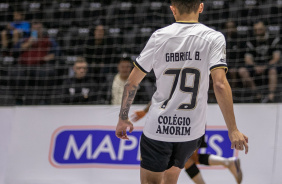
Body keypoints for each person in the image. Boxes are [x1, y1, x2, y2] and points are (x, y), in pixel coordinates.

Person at [115, 1, 248, 184]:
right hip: (191, 131)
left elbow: (132, 82)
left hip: (159, 127)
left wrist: (123, 117)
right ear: (201, 7)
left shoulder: (159, 37)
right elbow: (220, 85)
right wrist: (233, 129)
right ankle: (226, 163)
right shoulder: (214, 37)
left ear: (173, 9)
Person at [131, 104, 243, 184]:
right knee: (188, 158)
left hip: (177, 121)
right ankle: (228, 162)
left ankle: (228, 163)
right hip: (195, 118)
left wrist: (145, 111)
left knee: (184, 159)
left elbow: (163, 93)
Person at [238, 21, 281, 103]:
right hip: (255, 66)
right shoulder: (251, 41)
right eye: (256, 30)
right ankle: (257, 95)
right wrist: (255, 67)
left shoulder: (273, 39)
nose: (258, 32)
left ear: (265, 28)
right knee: (242, 71)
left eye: (260, 29)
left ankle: (271, 97)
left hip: (269, 65)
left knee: (273, 71)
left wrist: (265, 66)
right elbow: (247, 59)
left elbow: (276, 58)